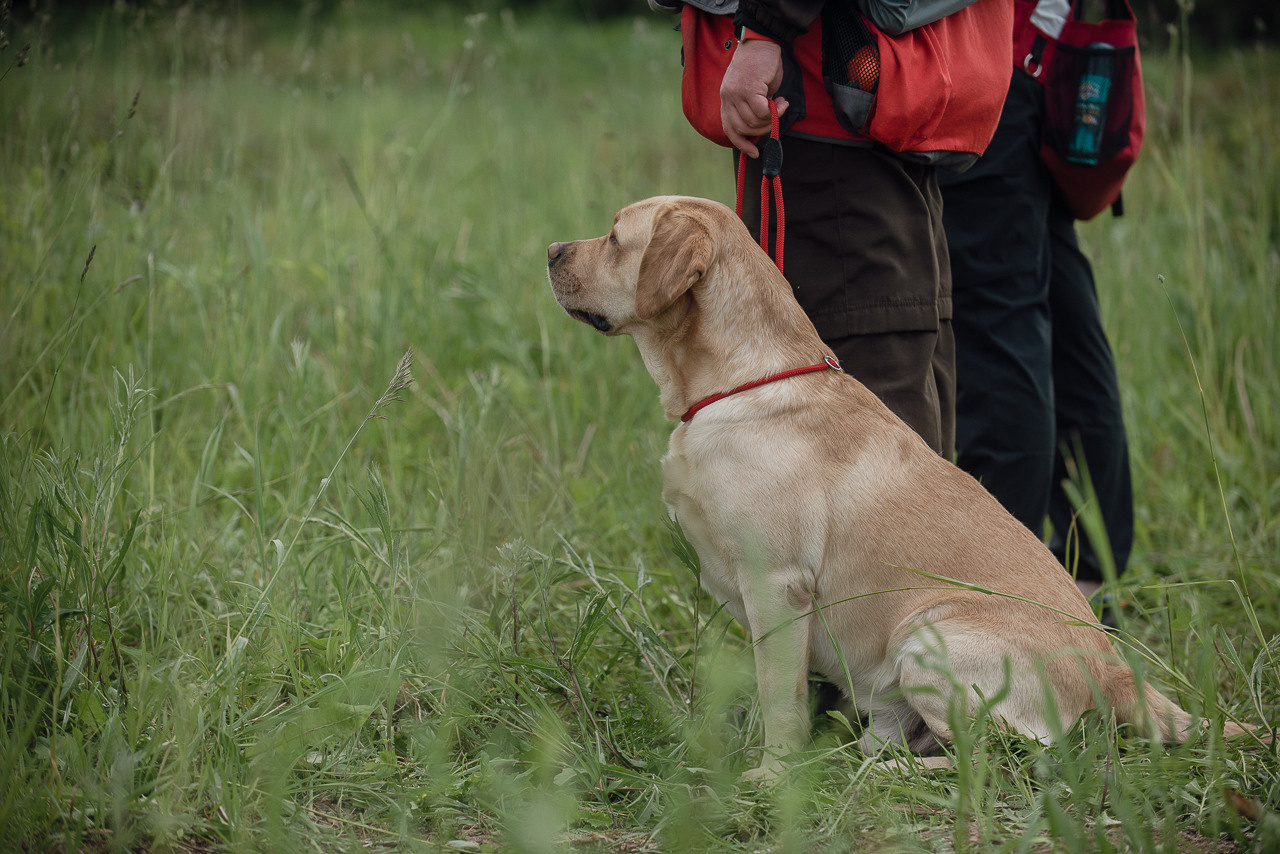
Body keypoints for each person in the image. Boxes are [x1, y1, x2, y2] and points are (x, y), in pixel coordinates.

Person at [663, 0, 1014, 458]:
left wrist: (764, 34)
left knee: (868, 433)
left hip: (825, 117)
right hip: (865, 122)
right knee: (901, 390)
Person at [937, 0, 1134, 597]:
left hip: (994, 63)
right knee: (1058, 320)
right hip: (1033, 66)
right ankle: (1087, 576)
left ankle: (1010, 599)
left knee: (997, 338)